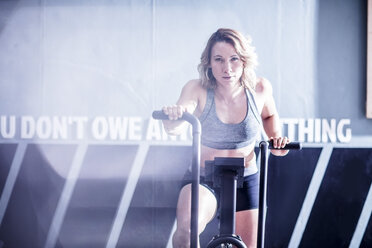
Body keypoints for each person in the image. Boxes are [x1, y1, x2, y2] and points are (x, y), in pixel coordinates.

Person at [161, 28, 289, 248]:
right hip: (204, 179)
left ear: (244, 60)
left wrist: (275, 137)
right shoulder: (197, 89)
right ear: (209, 63)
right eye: (218, 59)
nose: (227, 68)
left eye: (234, 59)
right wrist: (174, 116)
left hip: (246, 180)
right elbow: (176, 124)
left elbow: (269, 114)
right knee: (185, 234)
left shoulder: (259, 88)